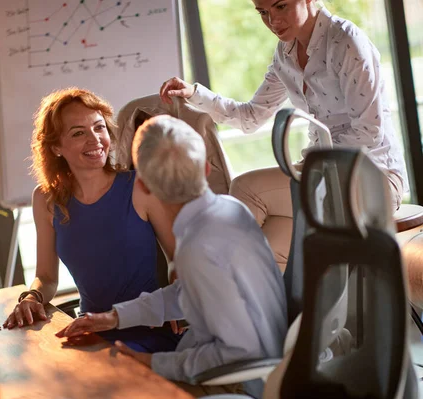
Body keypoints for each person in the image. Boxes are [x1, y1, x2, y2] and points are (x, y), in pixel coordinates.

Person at [160, 0, 407, 269]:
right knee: (269, 249)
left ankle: (211, 282)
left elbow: (368, 133)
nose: (272, 21)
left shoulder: (346, 41)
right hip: (323, 177)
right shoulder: (285, 54)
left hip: (372, 178)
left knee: (246, 189)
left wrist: (307, 169)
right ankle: (262, 305)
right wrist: (195, 94)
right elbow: (251, 117)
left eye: (281, 6)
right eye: (263, 12)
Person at [55, 115, 287, 391]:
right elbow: (191, 292)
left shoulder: (196, 248)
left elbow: (239, 352)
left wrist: (152, 362)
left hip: (241, 383)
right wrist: (115, 317)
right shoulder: (231, 208)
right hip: (267, 360)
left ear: (143, 186)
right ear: (205, 169)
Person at [2, 88, 181, 353]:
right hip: (90, 331)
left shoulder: (141, 186)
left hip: (150, 329)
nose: (95, 139)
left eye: (99, 128)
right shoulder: (46, 200)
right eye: (78, 133)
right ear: (56, 148)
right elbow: (47, 277)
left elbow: (181, 258)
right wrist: (32, 296)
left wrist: (172, 303)